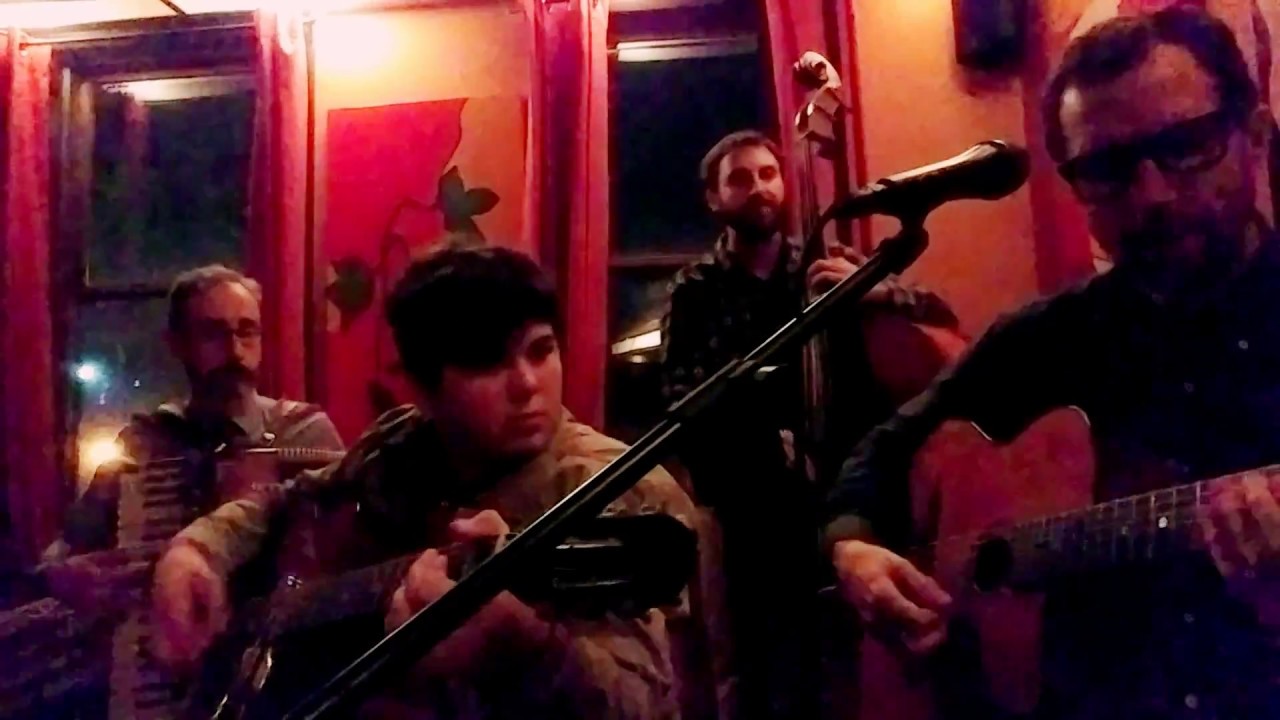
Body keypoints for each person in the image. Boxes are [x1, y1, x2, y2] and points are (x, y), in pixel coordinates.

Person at [828, 8, 1280, 719]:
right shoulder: (1050, 337)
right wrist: (854, 550)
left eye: (1186, 147)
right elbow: (882, 455)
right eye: (1106, 170)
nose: (1152, 195)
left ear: (1254, 137)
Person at [150, 244, 696, 719]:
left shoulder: (616, 488)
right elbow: (290, 498)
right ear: (423, 389)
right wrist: (199, 549)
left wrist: (527, 651)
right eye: (487, 363)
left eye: (540, 350)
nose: (527, 384)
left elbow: (646, 706)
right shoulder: (402, 441)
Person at [660, 129, 961, 719]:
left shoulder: (826, 263)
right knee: (749, 669)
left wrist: (873, 292)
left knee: (845, 660)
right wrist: (758, 417)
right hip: (746, 506)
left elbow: (936, 313)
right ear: (714, 198)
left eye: (767, 174)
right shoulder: (695, 287)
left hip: (839, 497)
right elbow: (680, 398)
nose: (759, 189)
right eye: (740, 179)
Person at [48, 264, 343, 558]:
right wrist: (74, 563)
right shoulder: (146, 442)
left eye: (247, 332)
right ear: (177, 344)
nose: (235, 351)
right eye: (213, 334)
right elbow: (66, 552)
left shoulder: (305, 431)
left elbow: (347, 547)